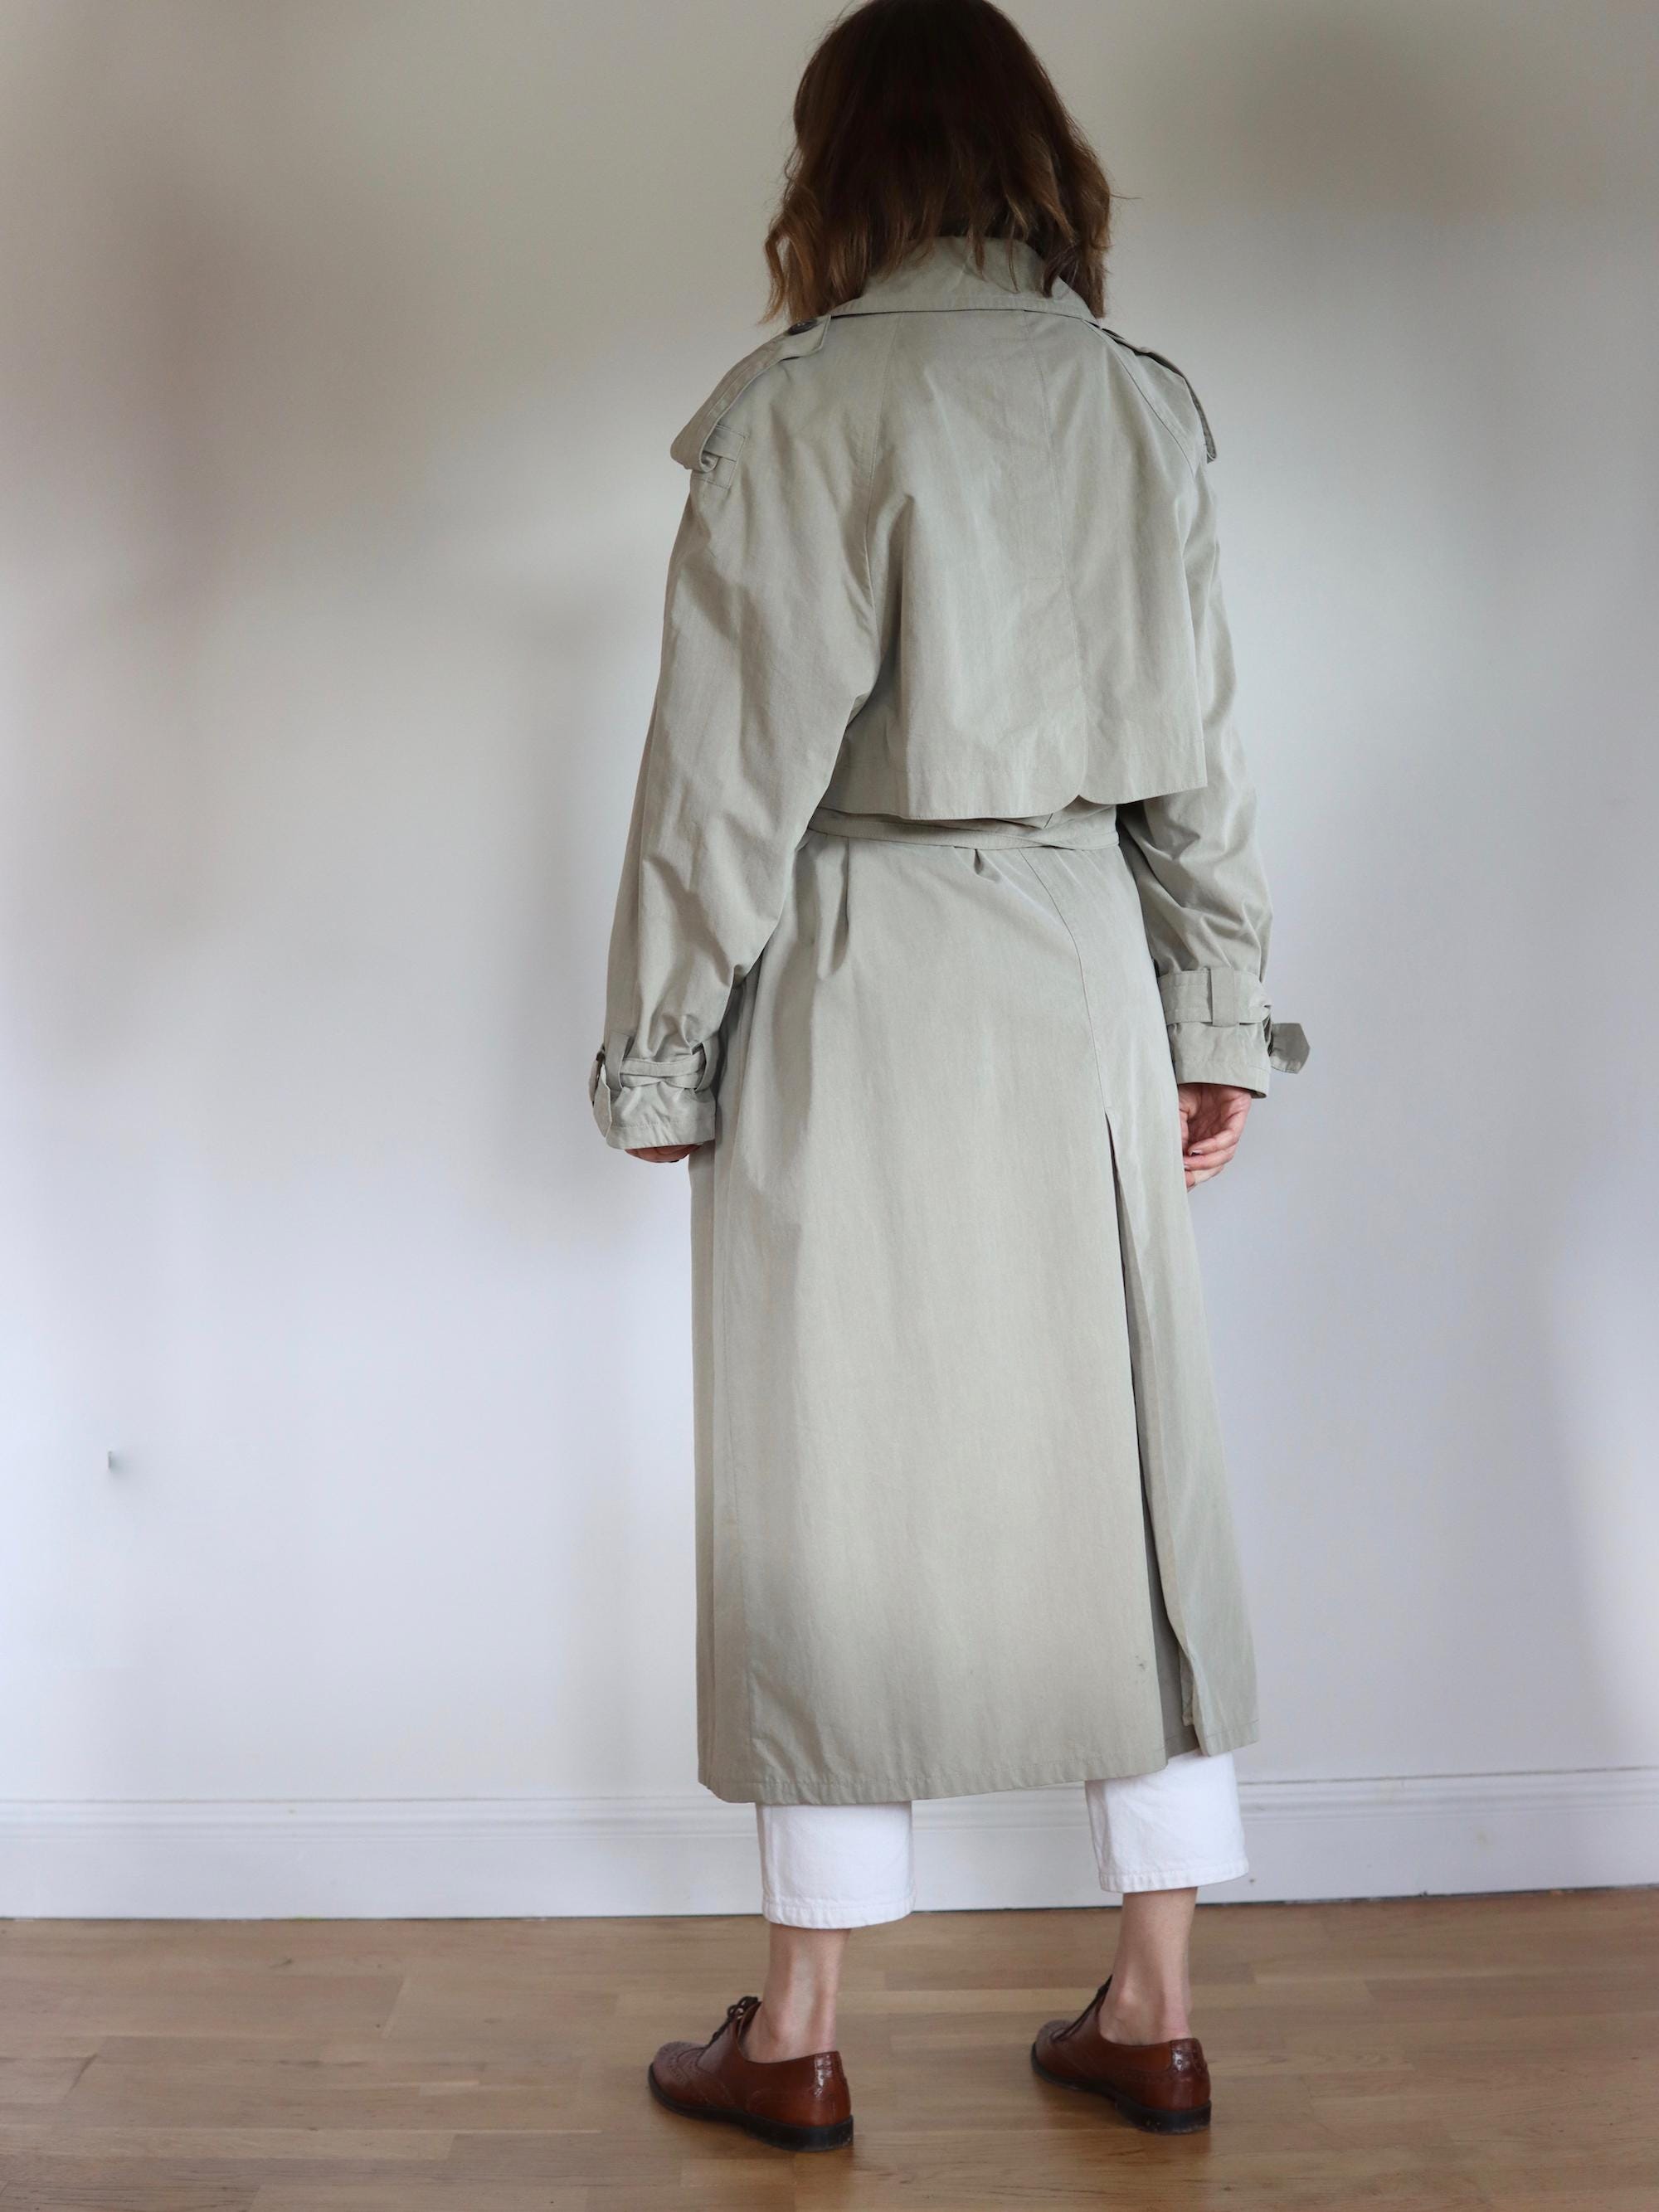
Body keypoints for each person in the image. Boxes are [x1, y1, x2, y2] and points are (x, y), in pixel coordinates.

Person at [590, 0, 1306, 2156]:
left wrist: (664, 1051)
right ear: (1029, 154)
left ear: (839, 170)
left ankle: (802, 2032)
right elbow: (1204, 757)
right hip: (1080, 965)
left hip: (856, 970)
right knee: (1136, 1488)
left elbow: (722, 783)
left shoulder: (803, 409)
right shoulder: (1139, 404)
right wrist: (1214, 1016)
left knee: (830, 1481)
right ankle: (1155, 2007)